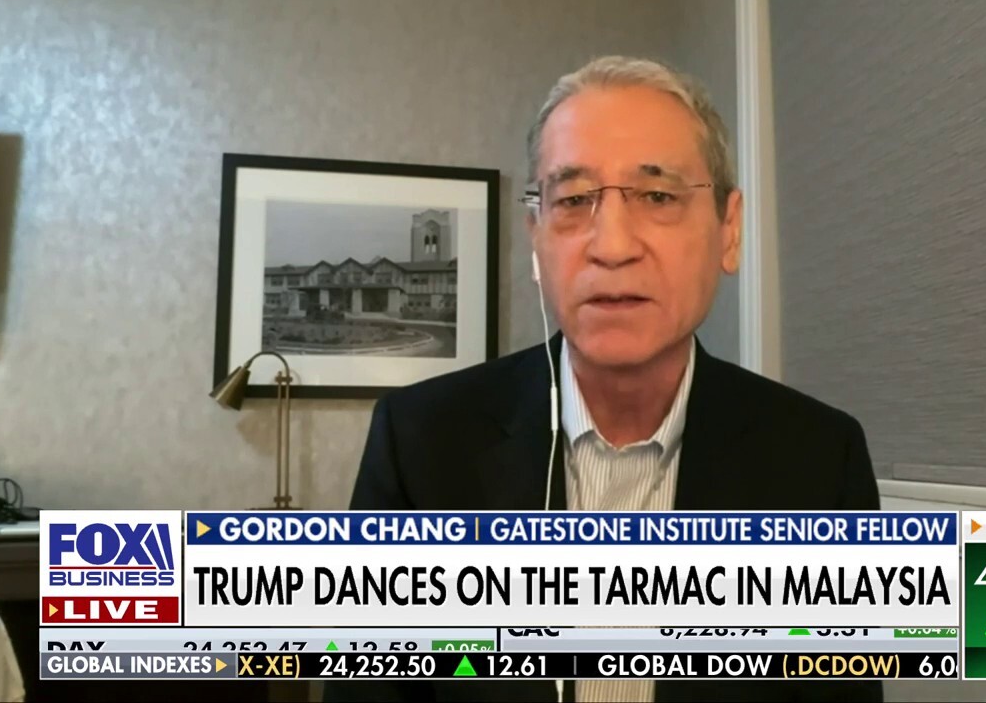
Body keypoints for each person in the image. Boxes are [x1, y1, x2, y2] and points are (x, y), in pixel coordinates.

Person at [325, 55, 882, 703]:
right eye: (572, 200)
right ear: (536, 237)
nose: (612, 245)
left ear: (729, 231)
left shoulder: (820, 460)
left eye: (658, 196)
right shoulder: (419, 443)